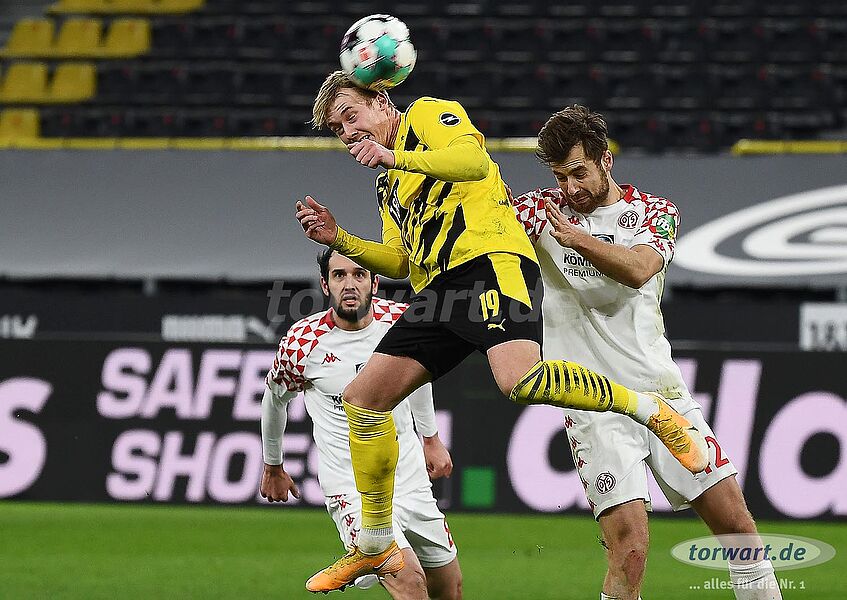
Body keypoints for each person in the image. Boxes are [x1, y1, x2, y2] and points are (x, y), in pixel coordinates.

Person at [297, 71, 708, 593]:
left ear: (381, 100)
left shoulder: (427, 115)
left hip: (489, 260)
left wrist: (395, 155)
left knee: (519, 380)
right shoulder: (388, 183)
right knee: (363, 399)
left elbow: (472, 162)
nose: (347, 133)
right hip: (439, 287)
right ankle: (376, 543)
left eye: (350, 117)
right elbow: (400, 260)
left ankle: (650, 409)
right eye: (338, 129)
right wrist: (340, 238)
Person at [510, 105, 781, 600]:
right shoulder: (538, 211)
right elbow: (480, 225)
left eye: (578, 172)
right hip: (595, 406)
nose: (570, 188)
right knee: (630, 550)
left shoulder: (656, 212)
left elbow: (638, 269)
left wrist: (574, 238)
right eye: (560, 176)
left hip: (663, 395)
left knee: (740, 533)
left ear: (606, 160)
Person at [260, 248, 462, 600]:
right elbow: (274, 400)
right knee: (409, 583)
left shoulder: (401, 323)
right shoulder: (302, 343)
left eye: (359, 274)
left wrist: (430, 438)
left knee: (449, 589)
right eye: (339, 275)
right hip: (351, 489)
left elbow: (418, 377)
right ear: (325, 285)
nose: (349, 283)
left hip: (410, 479)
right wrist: (273, 465)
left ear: (375, 282)